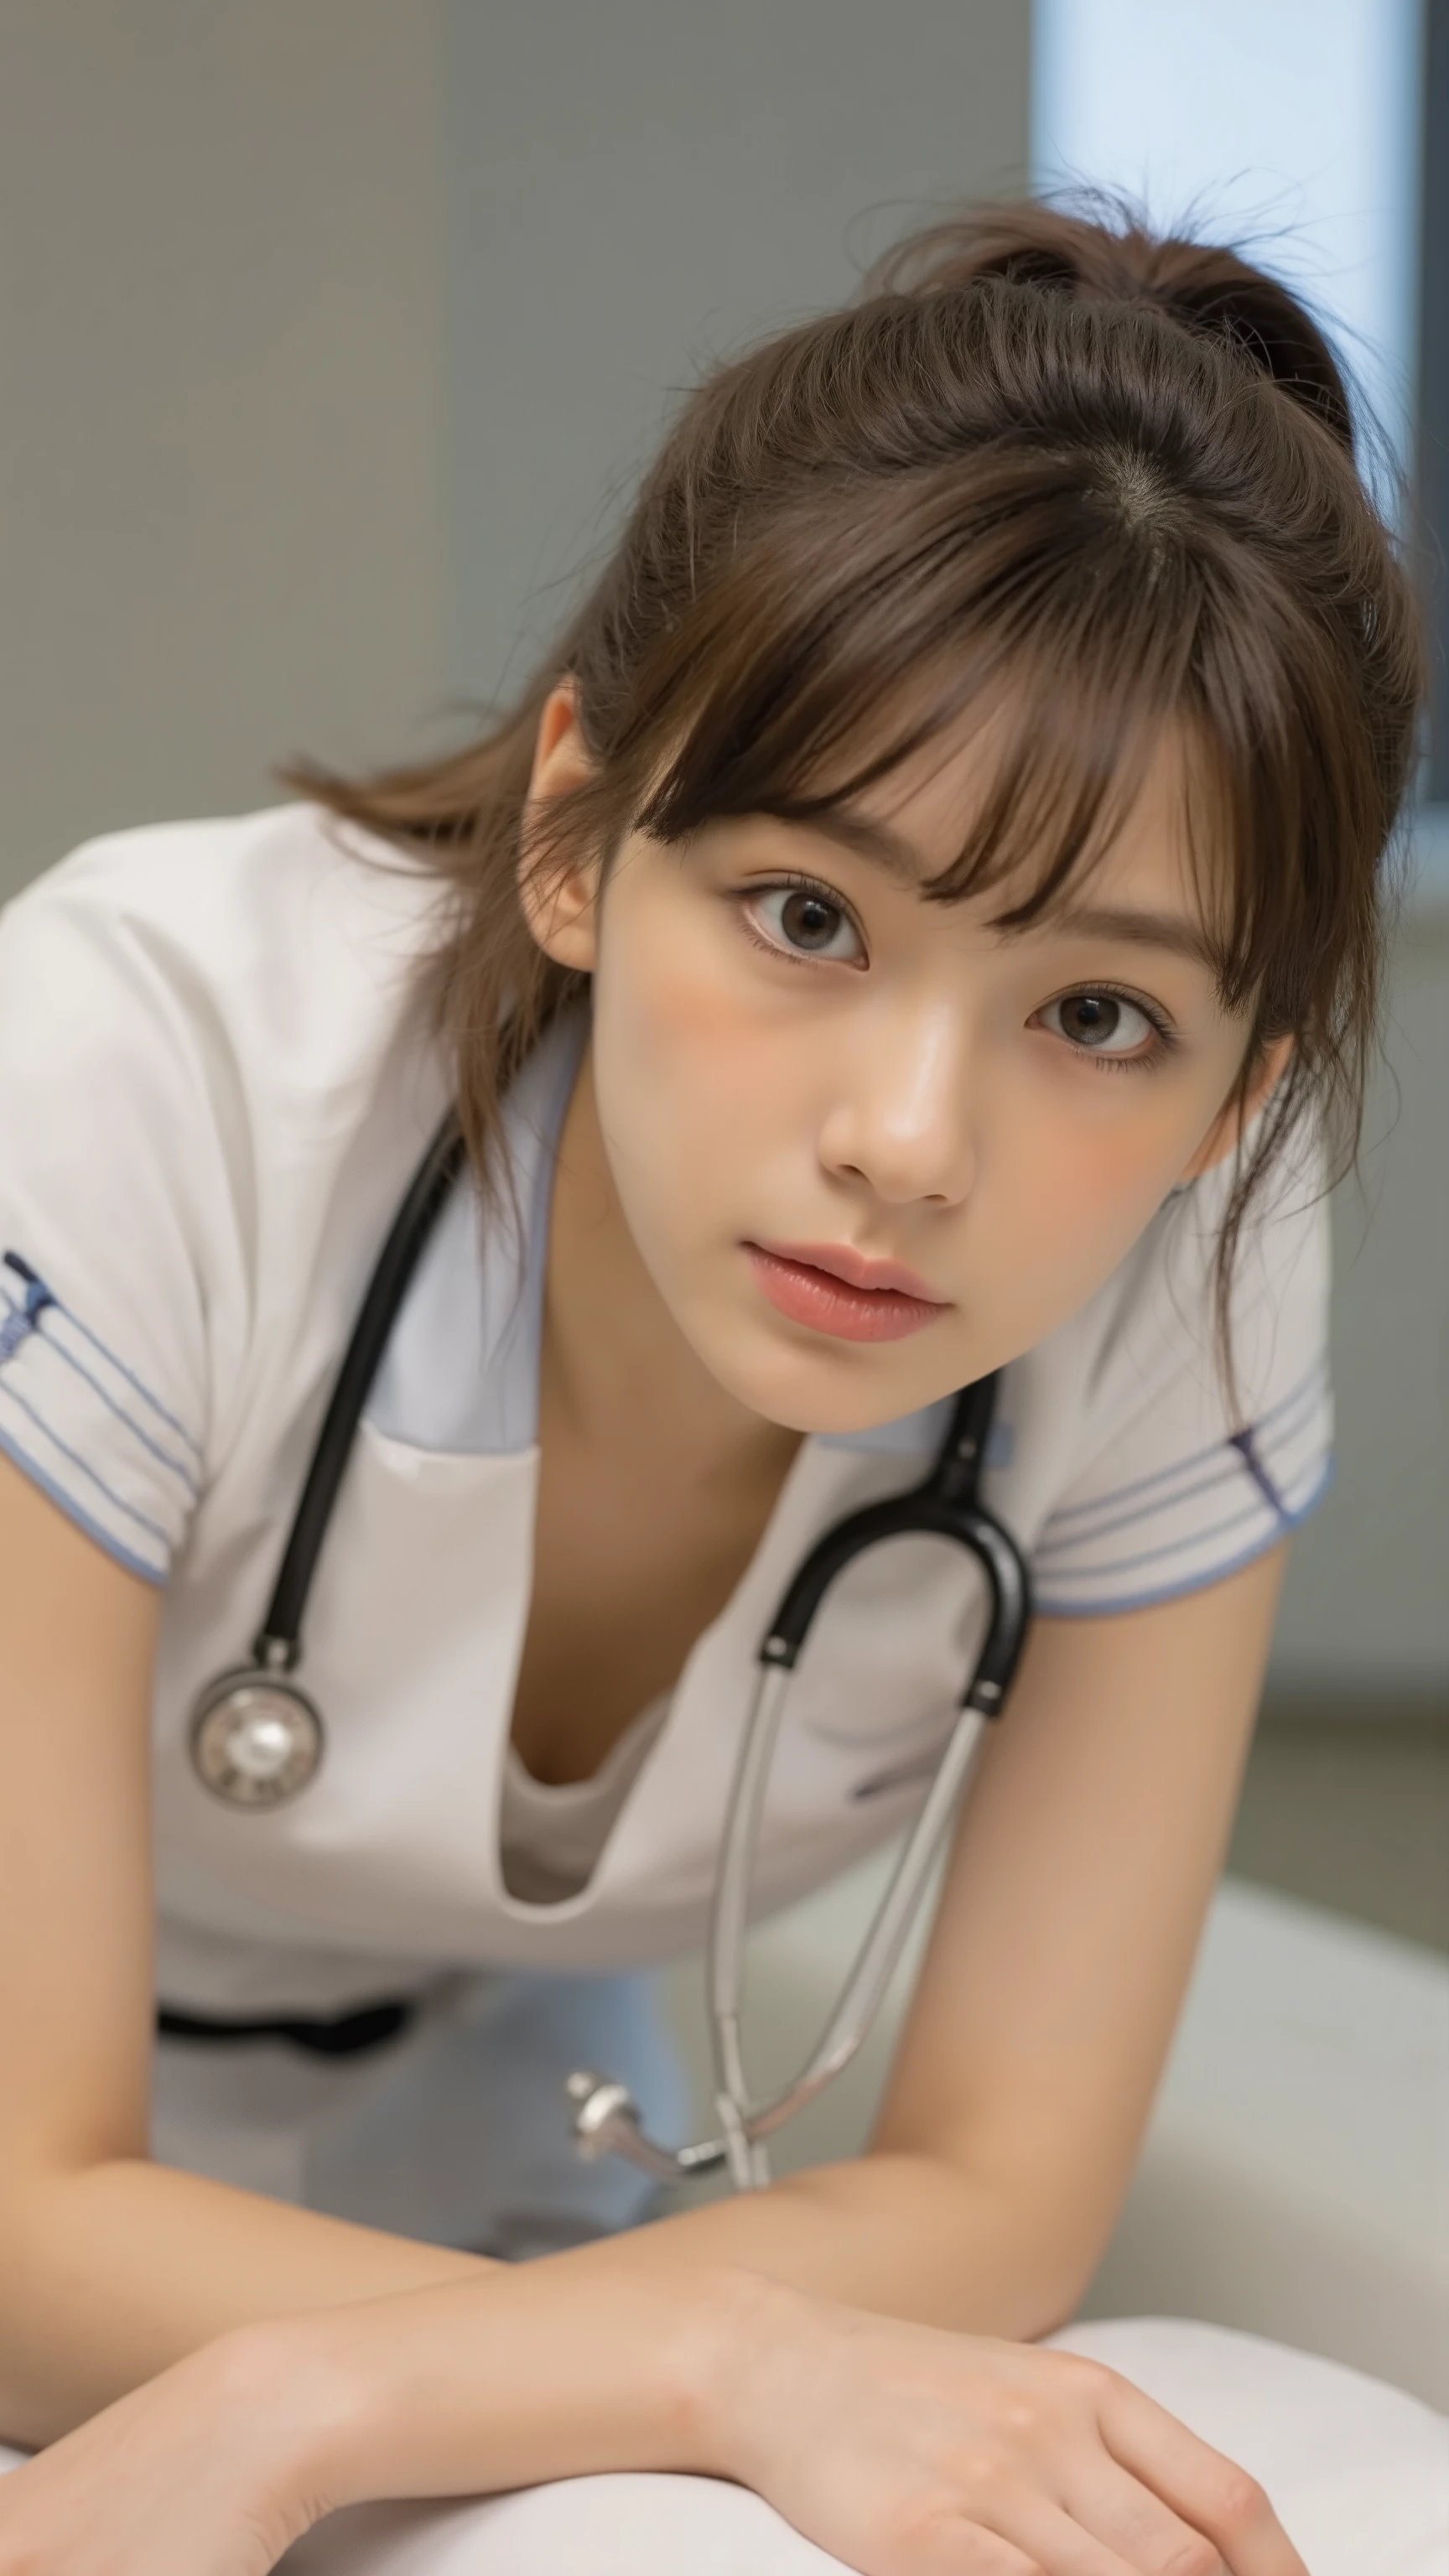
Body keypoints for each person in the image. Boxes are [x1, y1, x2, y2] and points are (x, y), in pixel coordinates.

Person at [0, 200, 1441, 2576]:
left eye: (1100, 1017)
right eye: (807, 918)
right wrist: (730, 2359)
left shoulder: (1195, 1255)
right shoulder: (138, 1077)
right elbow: (26, 2220)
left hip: (489, 2204)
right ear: (578, 831)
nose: (911, 1138)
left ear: (1241, 1092)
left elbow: (999, 2185)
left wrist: (393, 2382)